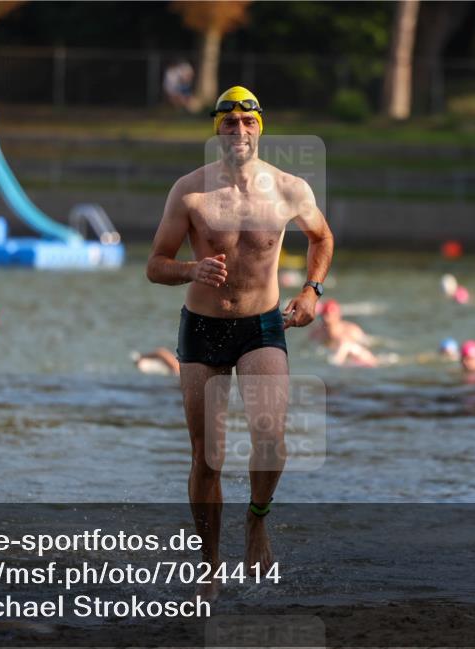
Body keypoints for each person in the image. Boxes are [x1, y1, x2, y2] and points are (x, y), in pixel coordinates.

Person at [146, 85, 334, 600]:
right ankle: (208, 565)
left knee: (271, 437)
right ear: (217, 131)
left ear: (260, 129)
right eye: (229, 123)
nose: (239, 131)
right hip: (203, 329)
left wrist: (313, 291)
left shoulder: (289, 188)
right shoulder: (190, 192)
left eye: (248, 123)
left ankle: (256, 521)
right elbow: (155, 265)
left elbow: (322, 237)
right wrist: (190, 268)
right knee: (209, 457)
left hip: (263, 326)